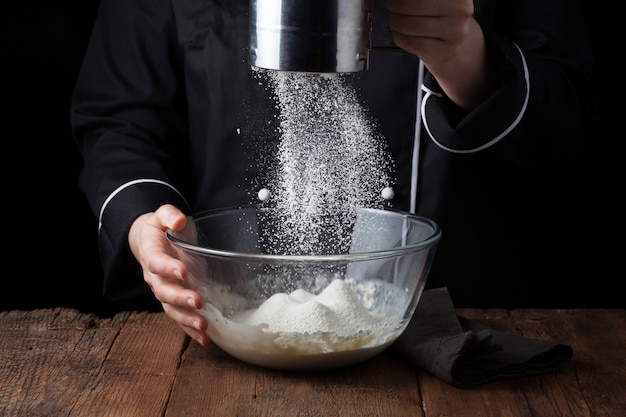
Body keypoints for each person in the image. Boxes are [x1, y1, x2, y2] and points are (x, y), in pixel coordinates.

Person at [71, 0, 598, 346]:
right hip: (226, 316)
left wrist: (467, 56)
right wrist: (142, 220)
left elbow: (567, 130)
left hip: (467, 326)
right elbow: (120, 121)